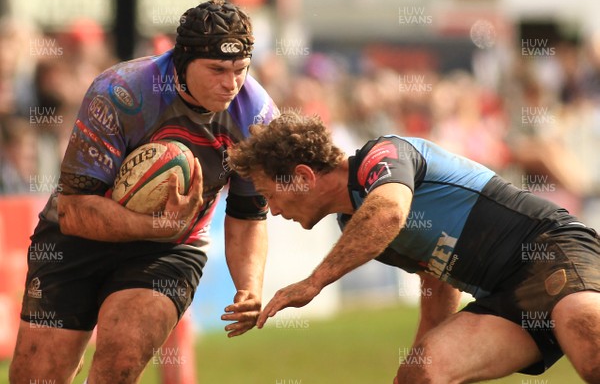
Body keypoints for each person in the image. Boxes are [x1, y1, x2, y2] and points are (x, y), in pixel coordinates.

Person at [9, 0, 279, 383]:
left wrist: (250, 287)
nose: (231, 83)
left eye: (240, 69)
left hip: (171, 249)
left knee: (120, 360)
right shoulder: (122, 93)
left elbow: (248, 213)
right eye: (217, 69)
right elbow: (73, 211)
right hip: (77, 239)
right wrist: (155, 224)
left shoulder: (256, 118)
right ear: (183, 62)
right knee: (38, 376)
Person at [228, 112, 600, 383]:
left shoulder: (383, 155)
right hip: (506, 301)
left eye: (270, 195)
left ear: (303, 177)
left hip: (552, 249)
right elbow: (438, 285)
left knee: (590, 348)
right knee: (422, 374)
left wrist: (313, 283)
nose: (273, 210)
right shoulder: (354, 221)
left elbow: (388, 213)